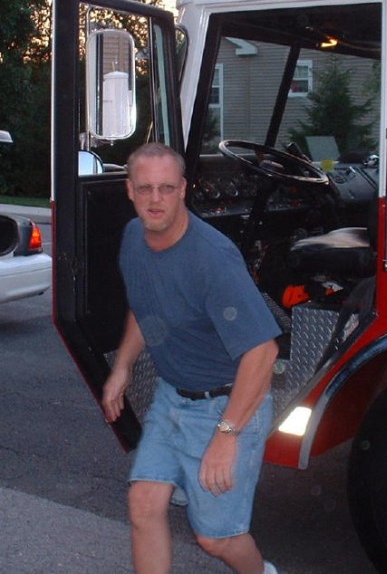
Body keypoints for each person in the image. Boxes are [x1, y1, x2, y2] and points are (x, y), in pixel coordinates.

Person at [102, 142, 282, 574]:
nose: (155, 199)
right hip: (173, 397)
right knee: (143, 503)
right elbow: (147, 310)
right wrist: (123, 366)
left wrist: (226, 434)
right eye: (145, 189)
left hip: (229, 403)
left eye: (166, 188)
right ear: (130, 191)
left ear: (183, 189)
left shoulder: (211, 258)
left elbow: (263, 351)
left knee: (216, 538)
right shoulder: (134, 239)